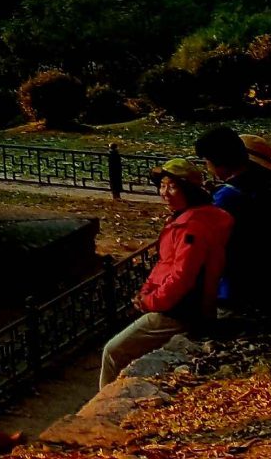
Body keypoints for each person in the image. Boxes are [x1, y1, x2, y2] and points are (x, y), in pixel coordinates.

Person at [100, 158, 233, 390]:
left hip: (181, 311)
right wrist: (146, 292)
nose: (165, 193)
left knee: (112, 351)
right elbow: (166, 264)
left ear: (188, 191)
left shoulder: (192, 227)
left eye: (172, 186)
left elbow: (183, 277)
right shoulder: (186, 219)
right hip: (177, 303)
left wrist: (151, 301)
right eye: (162, 186)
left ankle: (99, 415)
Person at [196, 126, 271, 308]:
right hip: (266, 270)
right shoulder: (265, 183)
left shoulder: (227, 196)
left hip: (237, 284)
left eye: (207, 161)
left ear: (217, 162)